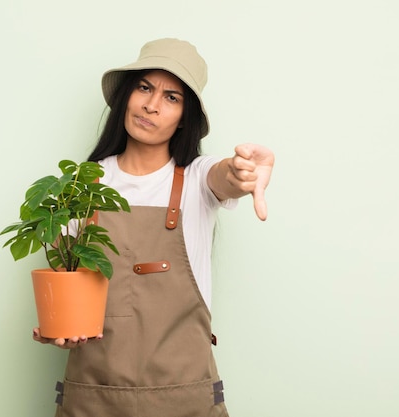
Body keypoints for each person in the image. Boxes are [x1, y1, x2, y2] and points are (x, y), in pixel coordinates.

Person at [32, 38, 275, 417]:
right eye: (145, 87)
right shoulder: (82, 185)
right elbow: (66, 293)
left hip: (184, 399)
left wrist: (241, 171)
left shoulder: (197, 179)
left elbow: (223, 177)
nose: (151, 104)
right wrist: (60, 329)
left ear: (185, 117)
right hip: (93, 398)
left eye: (172, 97)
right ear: (127, 96)